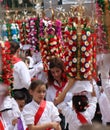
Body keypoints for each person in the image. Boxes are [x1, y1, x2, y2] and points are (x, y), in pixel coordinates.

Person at [46, 57, 72, 130]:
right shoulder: (50, 86)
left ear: (62, 70)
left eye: (58, 71)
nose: (56, 74)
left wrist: (64, 106)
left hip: (71, 116)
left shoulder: (70, 82)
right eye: (53, 72)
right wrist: (54, 104)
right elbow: (48, 104)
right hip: (57, 118)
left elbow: (75, 98)